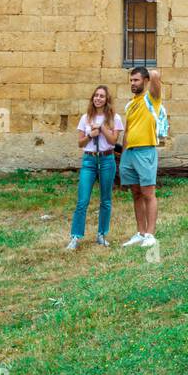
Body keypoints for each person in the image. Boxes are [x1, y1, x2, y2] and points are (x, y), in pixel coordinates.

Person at [67, 86, 122, 251]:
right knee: (82, 200)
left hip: (107, 159)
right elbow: (80, 143)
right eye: (96, 96)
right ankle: (75, 236)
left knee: (105, 200)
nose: (98, 98)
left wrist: (103, 128)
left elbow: (113, 141)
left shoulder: (114, 118)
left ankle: (102, 235)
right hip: (89, 161)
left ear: (107, 100)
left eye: (102, 96)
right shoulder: (85, 118)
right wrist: (90, 135)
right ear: (93, 99)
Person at [120, 66, 163, 249]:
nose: (133, 83)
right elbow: (128, 130)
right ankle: (141, 232)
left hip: (145, 151)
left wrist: (150, 74)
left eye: (136, 80)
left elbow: (156, 79)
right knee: (136, 193)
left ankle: (151, 235)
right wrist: (123, 154)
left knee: (148, 193)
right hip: (129, 153)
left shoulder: (151, 99)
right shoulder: (130, 104)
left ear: (144, 81)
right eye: (131, 80)